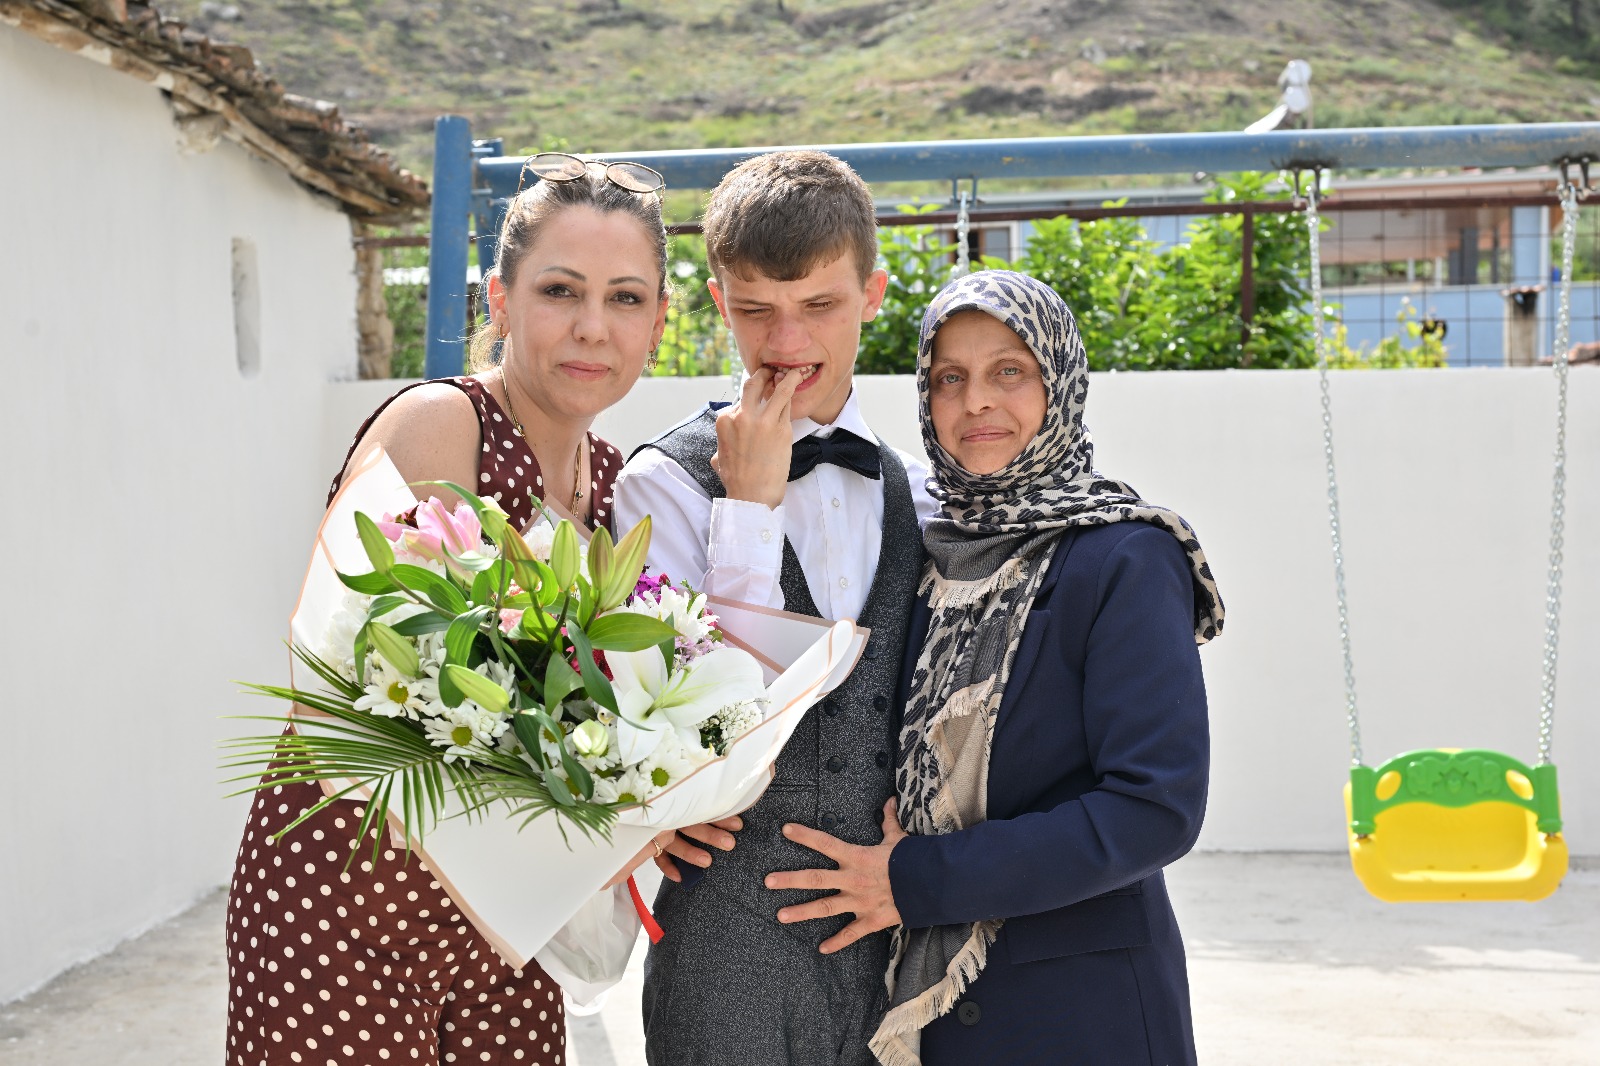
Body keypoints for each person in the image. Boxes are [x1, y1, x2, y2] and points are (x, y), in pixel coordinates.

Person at [224, 153, 676, 1066]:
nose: (593, 326)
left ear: (660, 323)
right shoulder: (440, 425)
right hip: (343, 906)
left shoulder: (619, 488)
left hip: (508, 936)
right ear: (497, 302)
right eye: (561, 289)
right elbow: (328, 689)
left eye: (627, 299)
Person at [767, 270, 1226, 1066]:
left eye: (1009, 371)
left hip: (1082, 1017)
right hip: (927, 1019)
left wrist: (919, 880)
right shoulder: (917, 553)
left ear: (1060, 383)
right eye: (951, 378)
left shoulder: (1124, 556)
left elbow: (1155, 808)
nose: (976, 401)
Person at [612, 149, 937, 1066]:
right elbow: (708, 719)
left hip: (890, 933)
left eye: (820, 306)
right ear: (719, 302)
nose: (787, 341)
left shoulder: (919, 494)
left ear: (873, 293)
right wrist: (745, 511)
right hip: (723, 930)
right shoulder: (661, 486)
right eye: (756, 310)